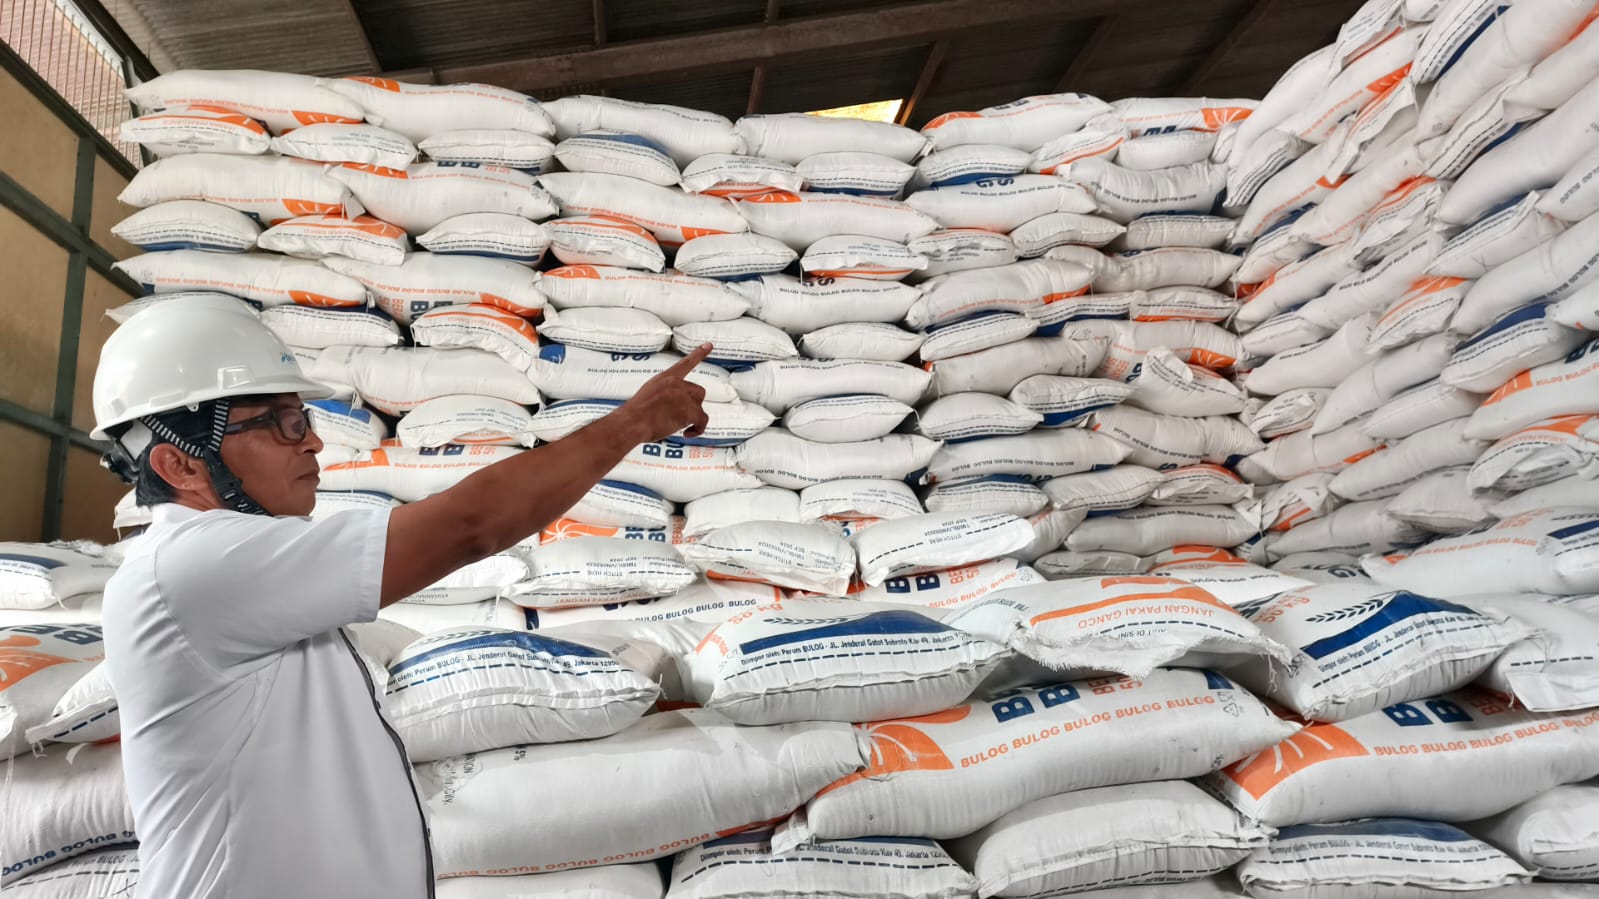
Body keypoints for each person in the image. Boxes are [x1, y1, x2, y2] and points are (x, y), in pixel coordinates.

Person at [92, 294, 712, 899]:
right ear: (180, 465)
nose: (312, 443)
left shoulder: (222, 566)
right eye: (281, 424)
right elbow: (471, 526)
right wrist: (634, 422)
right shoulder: (193, 567)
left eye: (304, 419)